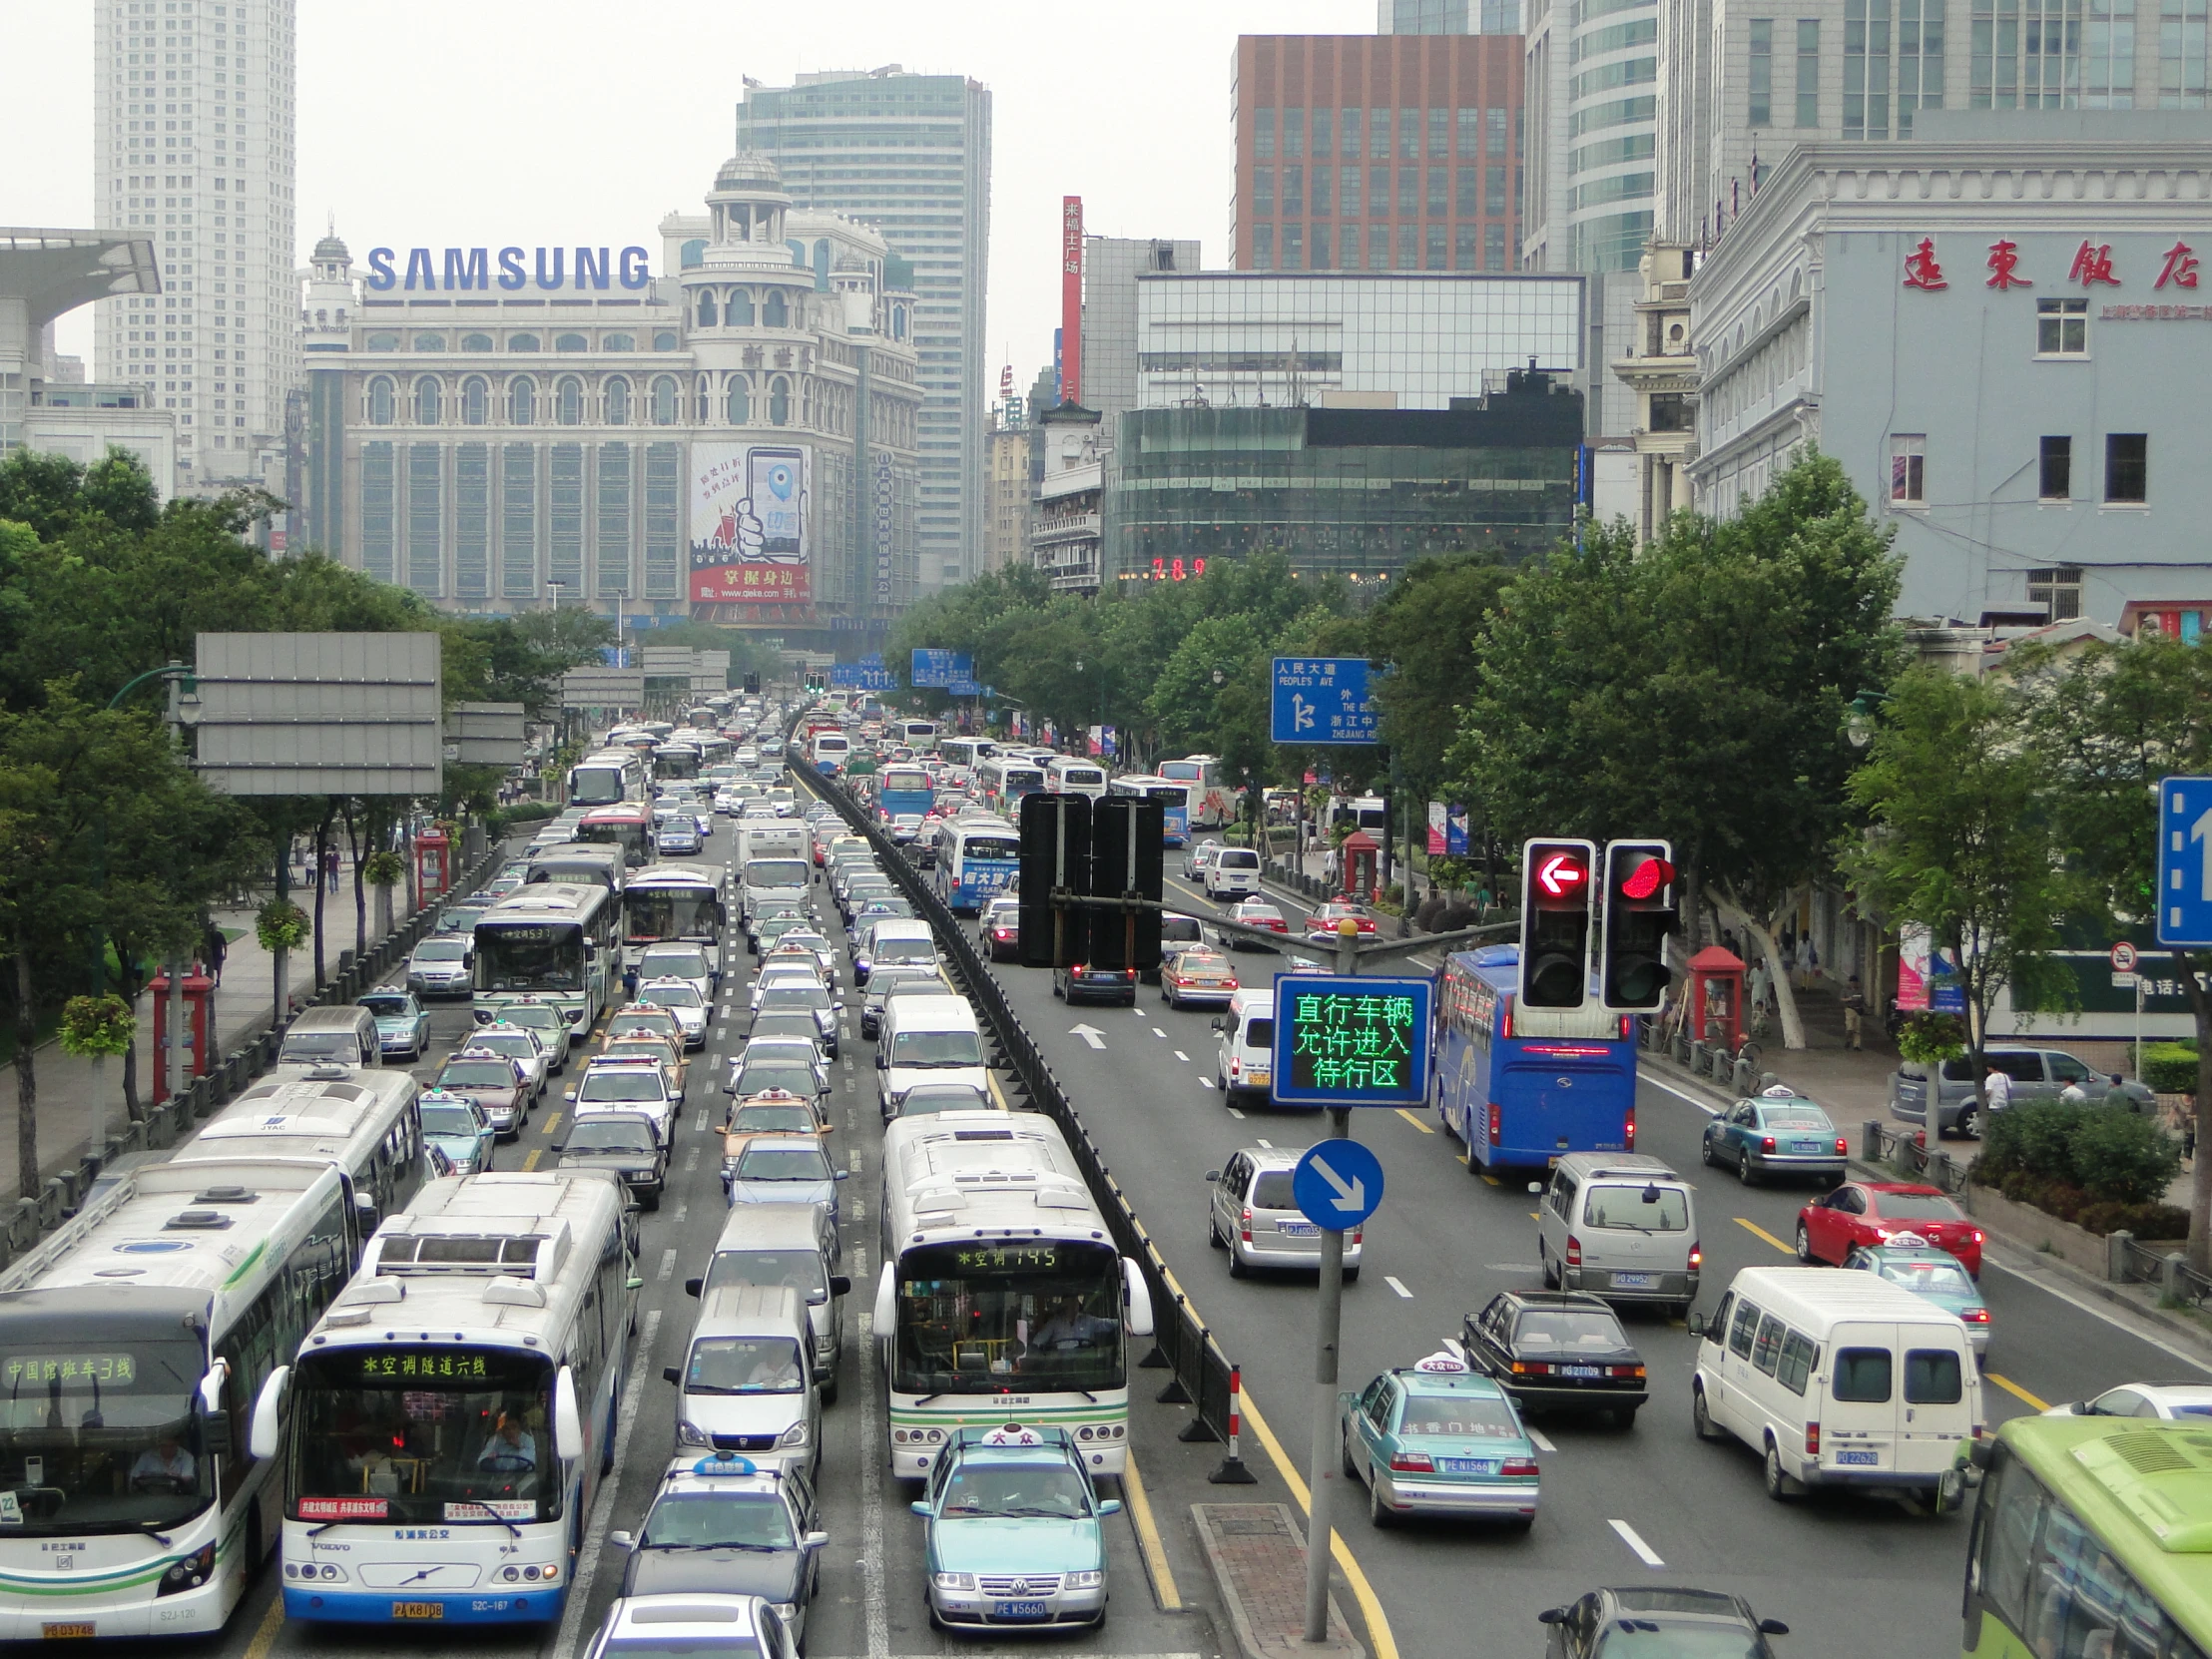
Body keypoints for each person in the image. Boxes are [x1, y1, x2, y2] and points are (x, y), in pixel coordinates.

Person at [131, 1433, 196, 1486]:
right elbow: (134, 1477)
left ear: (177, 1443)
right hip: (150, 1496)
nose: (168, 1449)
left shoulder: (187, 1457)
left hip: (177, 1496)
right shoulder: (147, 1456)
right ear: (159, 1444)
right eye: (164, 1446)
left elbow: (188, 1479)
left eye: (171, 1446)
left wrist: (178, 1477)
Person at [1840, 975, 1867, 1051]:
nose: (1854, 984)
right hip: (1850, 1009)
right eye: (1852, 982)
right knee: (1850, 1027)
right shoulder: (1845, 990)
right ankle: (1848, 1039)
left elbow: (1863, 999)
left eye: (1855, 983)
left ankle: (1856, 1045)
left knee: (1857, 1029)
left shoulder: (1859, 990)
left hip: (1858, 1009)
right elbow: (1841, 999)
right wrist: (1849, 999)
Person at [202, 922, 228, 988]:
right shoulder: (209, 935)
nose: (214, 928)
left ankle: (218, 980)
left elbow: (224, 944)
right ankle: (211, 981)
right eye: (213, 927)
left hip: (218, 953)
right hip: (211, 954)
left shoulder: (220, 935)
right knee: (211, 968)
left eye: (215, 927)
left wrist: (225, 954)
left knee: (219, 968)